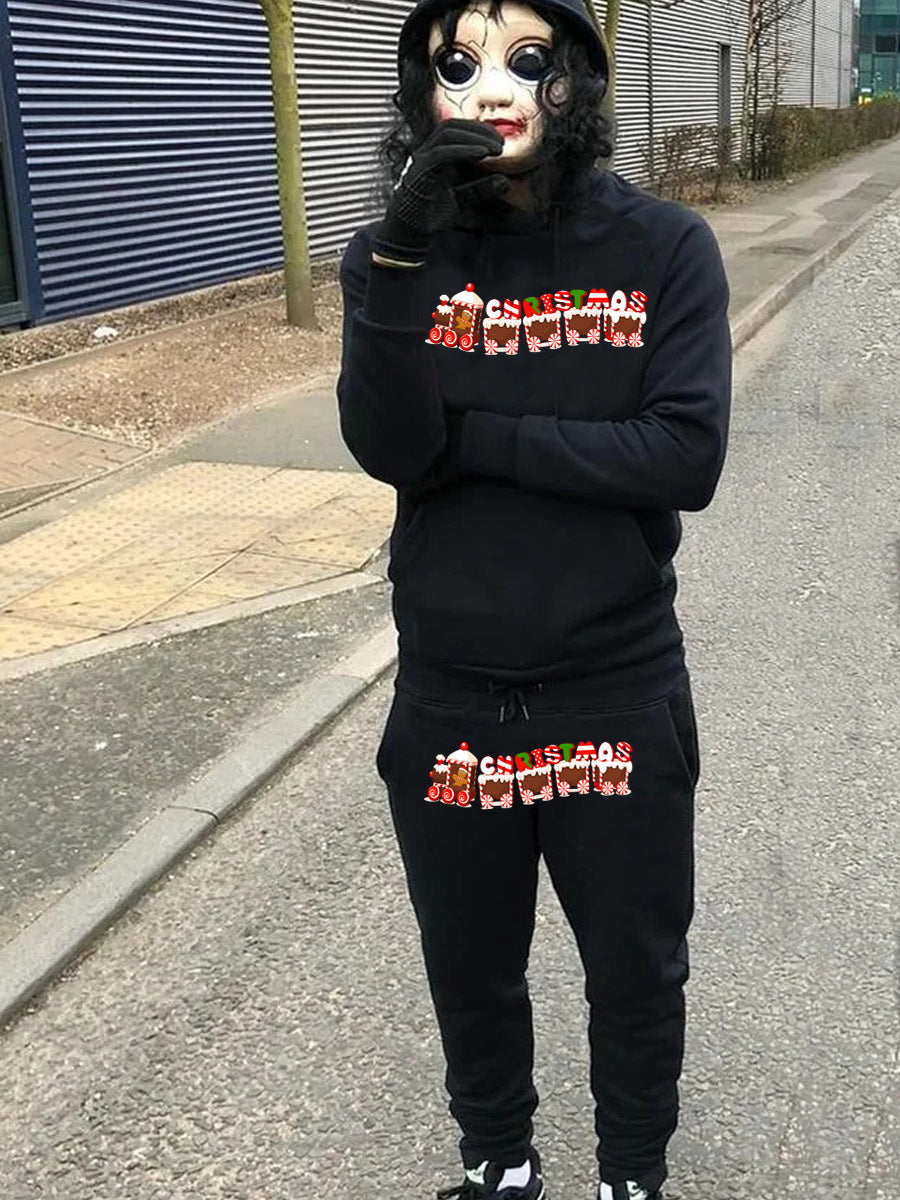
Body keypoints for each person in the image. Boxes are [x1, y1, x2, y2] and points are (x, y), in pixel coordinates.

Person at [336, 1, 732, 1198]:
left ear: (577, 85)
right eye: (459, 66)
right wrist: (398, 260)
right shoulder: (395, 258)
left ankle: (631, 1178)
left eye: (528, 61)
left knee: (636, 970)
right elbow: (392, 446)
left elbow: (682, 456)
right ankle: (500, 1165)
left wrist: (480, 436)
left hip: (611, 693)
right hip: (454, 701)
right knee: (469, 969)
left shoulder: (664, 248)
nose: (495, 89)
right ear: (421, 94)